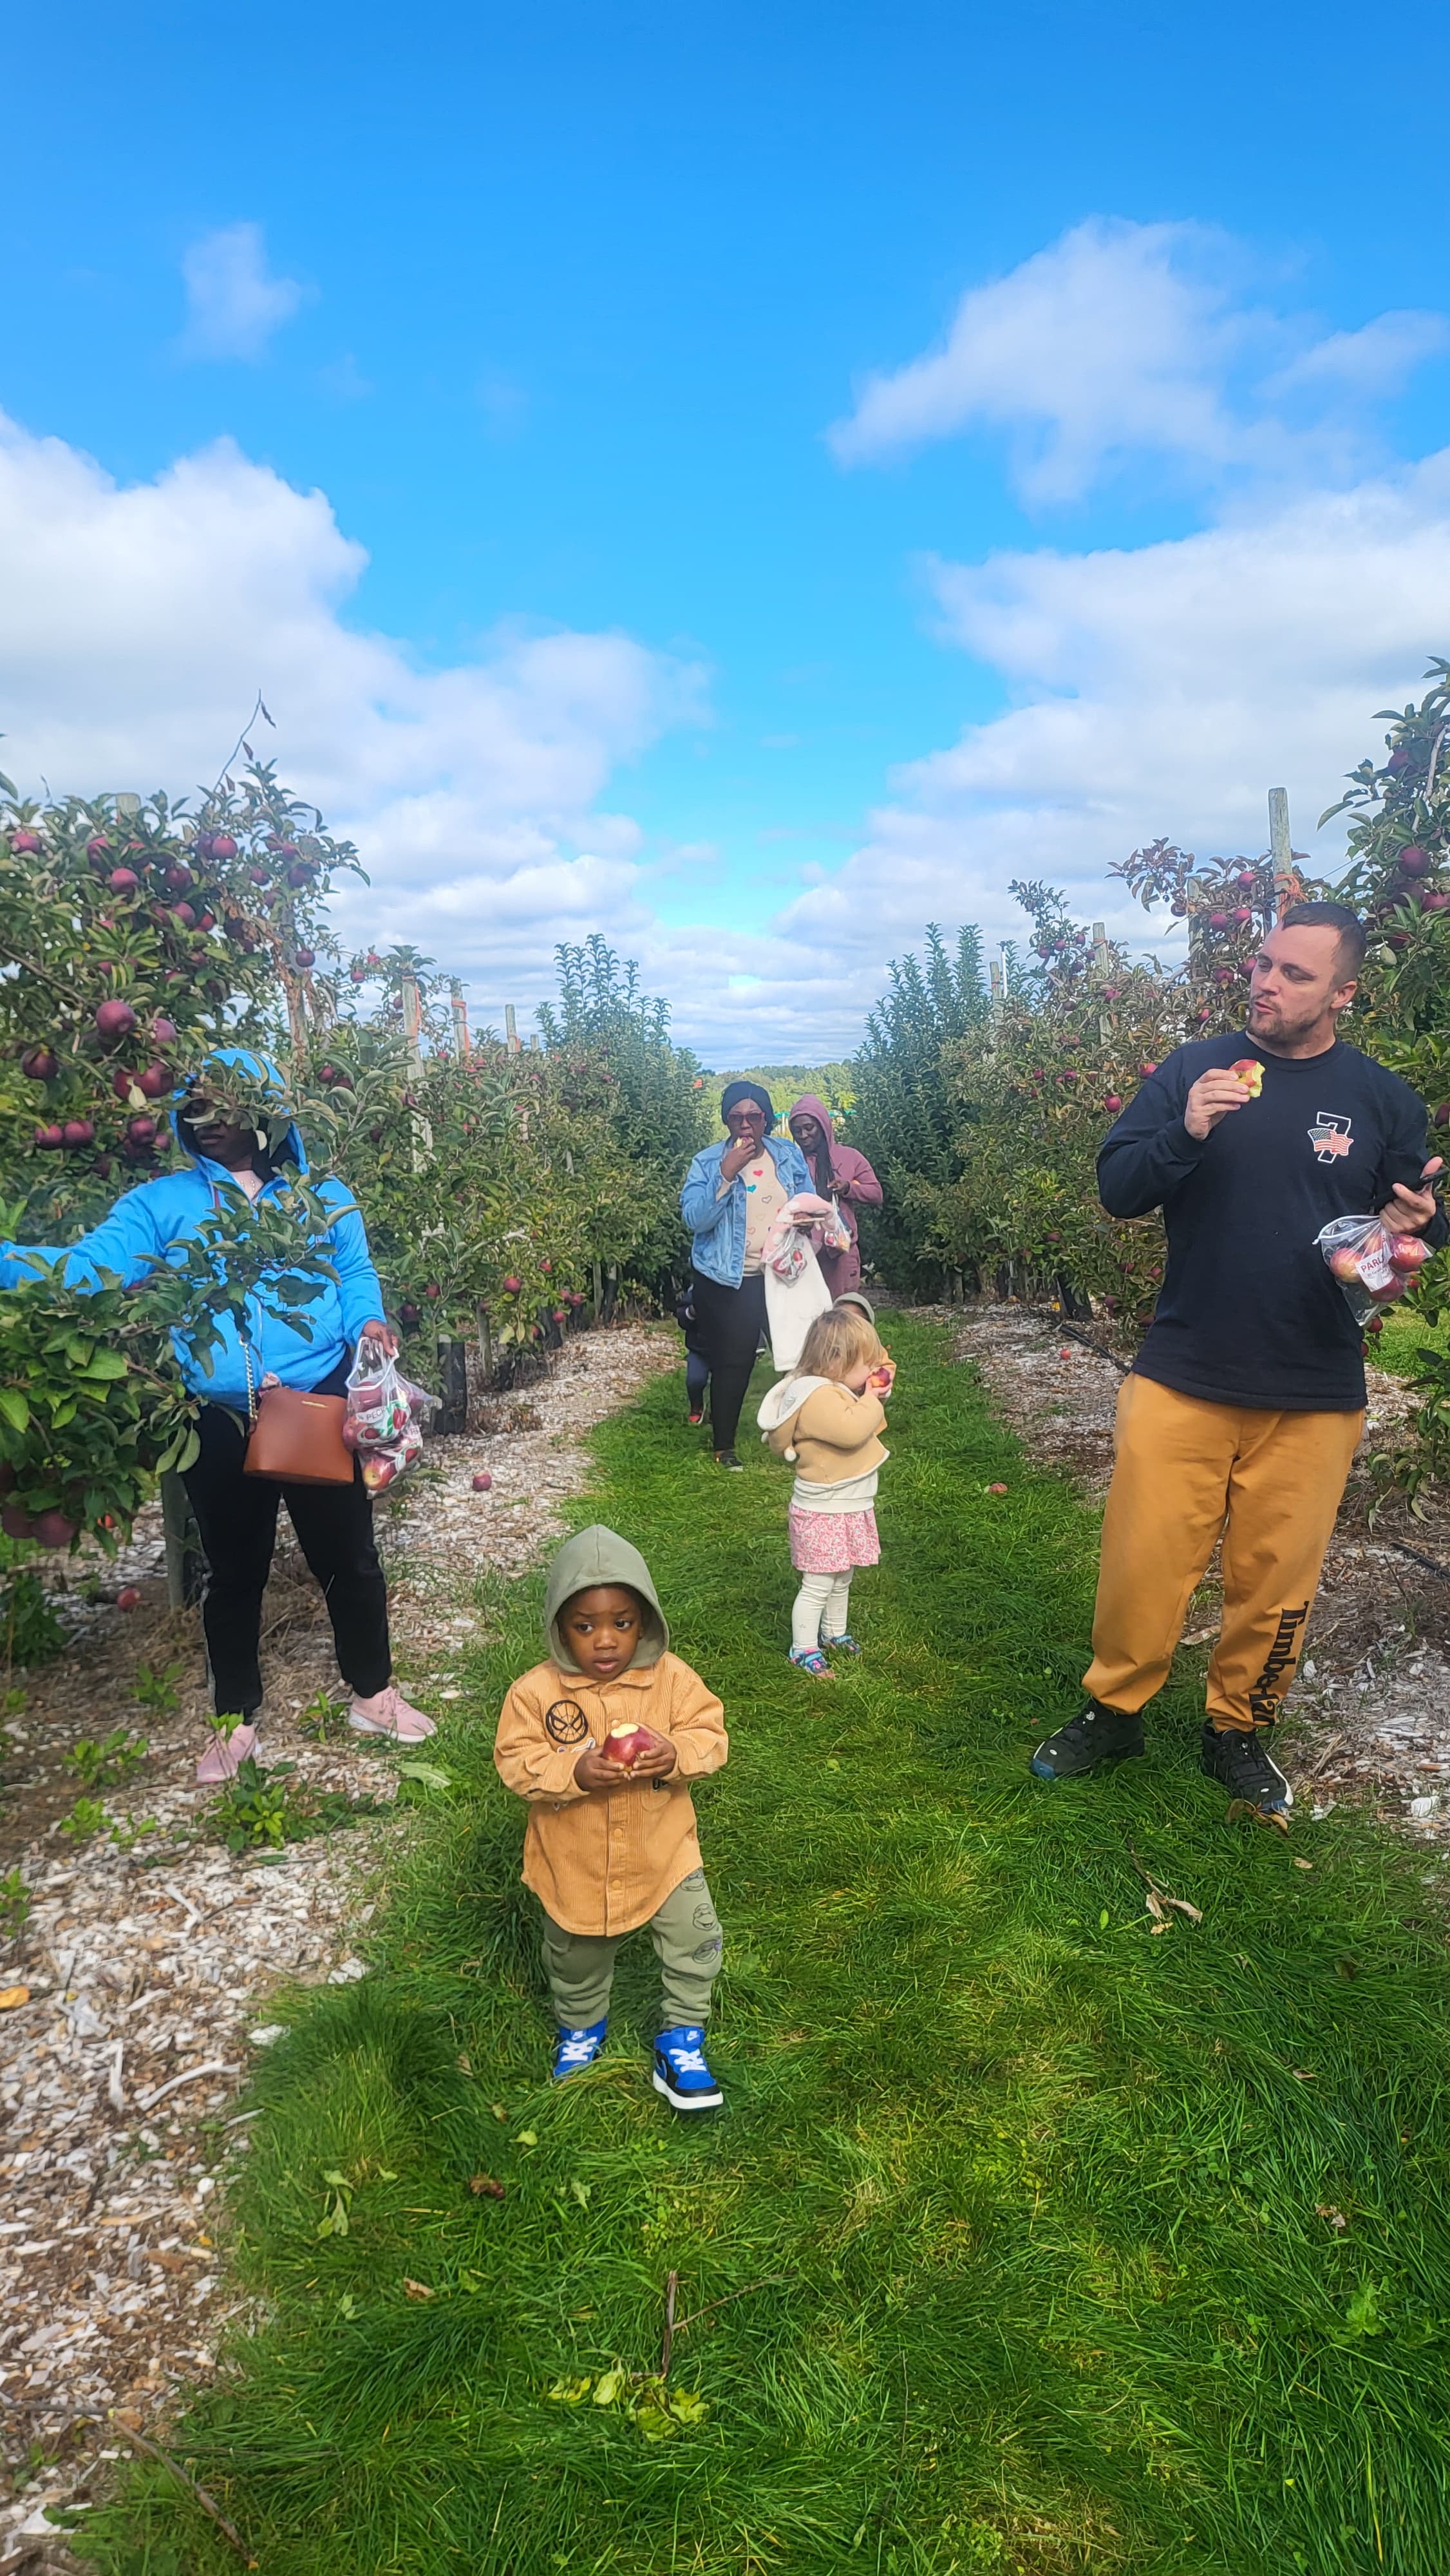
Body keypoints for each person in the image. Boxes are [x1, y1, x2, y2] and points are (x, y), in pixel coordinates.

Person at [1031, 903, 1446, 1821]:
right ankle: (1115, 1708)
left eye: (1295, 973)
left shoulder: (1383, 1100)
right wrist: (1185, 1131)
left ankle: (1237, 1730)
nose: (1265, 982)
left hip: (1315, 1387)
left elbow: (1413, 1220)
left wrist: (1421, 1228)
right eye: (1262, 964)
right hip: (1184, 1371)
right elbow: (1119, 1191)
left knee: (1276, 1581)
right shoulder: (1197, 1070)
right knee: (1144, 1563)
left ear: (1344, 992)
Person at [0, 1048, 435, 1782]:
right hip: (218, 1414)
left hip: (314, 1400)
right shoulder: (161, 1204)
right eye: (193, 1106)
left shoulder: (321, 1195)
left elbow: (355, 1269)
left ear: (266, 1113)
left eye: (224, 1107)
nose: (205, 1121)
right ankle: (235, 1722)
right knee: (232, 1572)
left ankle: (373, 1692)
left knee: (350, 1556)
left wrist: (366, 1319)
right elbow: (89, 1268)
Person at [493, 1524, 729, 2110]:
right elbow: (516, 1760)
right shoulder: (535, 1694)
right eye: (585, 1626)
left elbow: (710, 1734)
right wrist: (572, 1773)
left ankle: (682, 2037)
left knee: (697, 1939)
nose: (604, 1641)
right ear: (559, 1627)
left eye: (621, 1624)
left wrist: (675, 1753)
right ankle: (581, 2029)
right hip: (575, 1863)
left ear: (643, 1622)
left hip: (664, 1852)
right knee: (575, 1955)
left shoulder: (671, 1679)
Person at [757, 1303, 894, 1678]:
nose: (871, 1371)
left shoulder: (832, 1388)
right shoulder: (817, 1397)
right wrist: (872, 1398)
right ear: (835, 1360)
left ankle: (834, 1632)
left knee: (841, 1576)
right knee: (818, 1582)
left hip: (844, 1505)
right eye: (864, 1363)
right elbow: (852, 1432)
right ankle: (803, 1648)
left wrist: (868, 1395)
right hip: (824, 1510)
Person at [679, 1082, 810, 1470]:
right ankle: (725, 1445)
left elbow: (806, 1197)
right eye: (737, 1117)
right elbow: (695, 1220)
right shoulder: (707, 1162)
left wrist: (808, 1220)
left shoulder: (786, 1153)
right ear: (726, 1120)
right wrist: (726, 1174)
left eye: (754, 1116)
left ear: (767, 1119)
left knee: (800, 1356)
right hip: (729, 1278)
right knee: (733, 1361)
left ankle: (803, 1432)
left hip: (782, 1272)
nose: (746, 1125)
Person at [787, 1096, 883, 1298]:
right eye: (797, 1131)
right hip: (803, 1252)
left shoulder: (849, 1157)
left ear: (823, 1125)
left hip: (840, 1251)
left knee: (842, 1314)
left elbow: (876, 1193)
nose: (803, 1135)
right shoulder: (791, 1162)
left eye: (809, 1127)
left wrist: (848, 1189)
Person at [673, 1282, 709, 1427]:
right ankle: (696, 1406)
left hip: (724, 1349)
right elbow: (682, 1318)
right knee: (695, 1381)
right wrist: (692, 1311)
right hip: (698, 1348)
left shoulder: (731, 1289)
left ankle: (718, 1413)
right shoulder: (696, 1290)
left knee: (722, 1387)